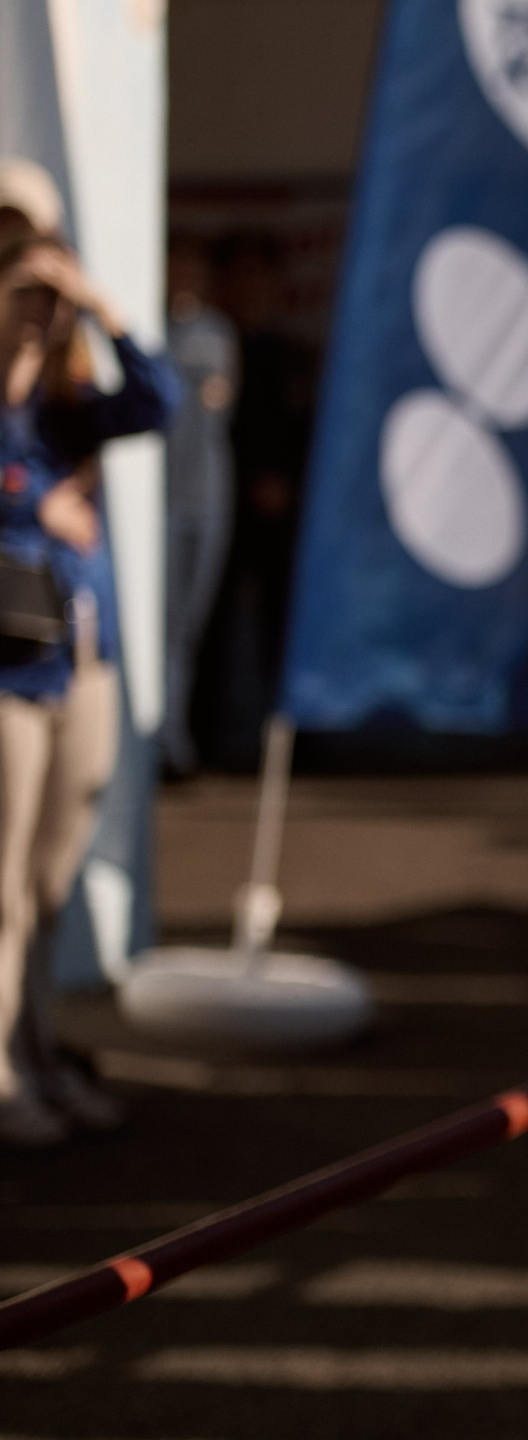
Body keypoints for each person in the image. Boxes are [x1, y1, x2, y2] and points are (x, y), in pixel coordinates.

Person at [0, 232, 178, 1147]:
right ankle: (5, 1078)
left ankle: (35, 1056)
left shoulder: (69, 410)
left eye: (49, 296)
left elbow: (160, 401)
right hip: (11, 670)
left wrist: (102, 309)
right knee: (2, 888)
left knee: (48, 886)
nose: (38, 310)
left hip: (82, 661)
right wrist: (34, 506)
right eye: (24, 290)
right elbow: (22, 492)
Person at [161, 238, 237, 778]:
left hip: (206, 496)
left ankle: (177, 732)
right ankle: (167, 740)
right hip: (161, 501)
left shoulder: (217, 333)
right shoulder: (152, 328)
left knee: (190, 623)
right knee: (163, 624)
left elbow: (222, 405)